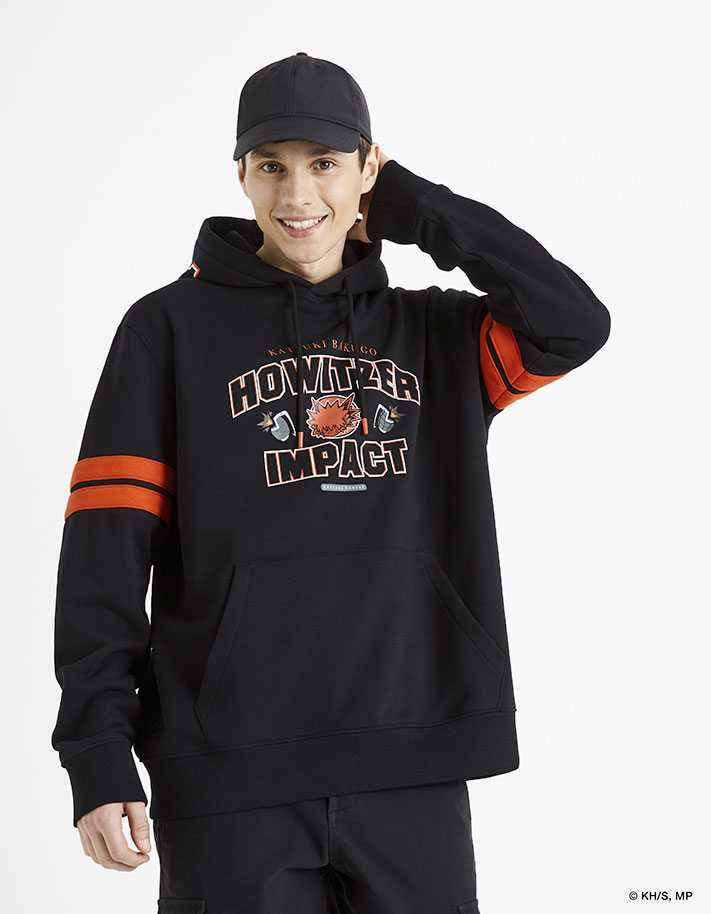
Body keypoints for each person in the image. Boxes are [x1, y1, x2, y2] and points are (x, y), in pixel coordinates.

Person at [51, 51, 611, 913]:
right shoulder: (166, 330)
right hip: (228, 776)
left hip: (411, 764)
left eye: (324, 163)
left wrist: (417, 207)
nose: (296, 193)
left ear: (366, 170)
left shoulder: (436, 336)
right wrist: (96, 752)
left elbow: (572, 322)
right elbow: (105, 551)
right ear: (241, 175)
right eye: (271, 165)